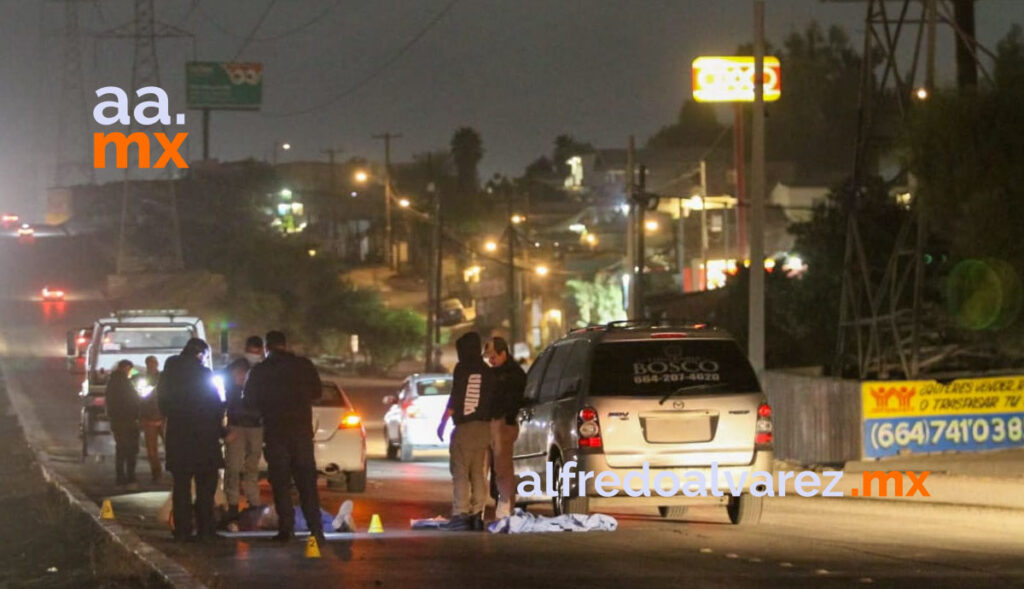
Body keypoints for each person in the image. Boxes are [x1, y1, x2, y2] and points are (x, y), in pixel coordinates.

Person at [242, 330, 325, 546]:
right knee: (307, 482)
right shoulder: (303, 366)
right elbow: (317, 392)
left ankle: (286, 529)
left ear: (267, 347)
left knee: (280, 483)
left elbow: (249, 402)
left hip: (276, 432)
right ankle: (316, 529)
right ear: (285, 345)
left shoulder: (260, 371)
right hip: (301, 432)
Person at [157, 338, 225, 542]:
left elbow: (163, 405)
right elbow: (214, 405)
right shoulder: (204, 374)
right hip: (203, 438)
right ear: (199, 354)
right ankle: (206, 530)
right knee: (206, 486)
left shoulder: (168, 373)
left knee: (181, 487)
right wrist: (220, 430)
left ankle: (182, 530)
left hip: (178, 436)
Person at [436, 332, 496, 531]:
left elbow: (456, 397)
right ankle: (477, 515)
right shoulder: (487, 371)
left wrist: (443, 422)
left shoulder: (463, 369)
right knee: (478, 473)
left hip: (465, 428)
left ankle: (460, 513)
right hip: (484, 428)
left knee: (460, 472)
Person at [486, 337, 527, 519]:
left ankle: (505, 504)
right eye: (489, 357)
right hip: (488, 423)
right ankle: (489, 504)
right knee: (484, 467)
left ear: (504, 354)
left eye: (493, 356)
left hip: (503, 423)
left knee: (502, 467)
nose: (491, 360)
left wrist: (508, 419)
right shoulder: (491, 373)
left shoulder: (514, 374)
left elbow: (514, 399)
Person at [223, 358, 263, 522]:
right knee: (233, 466)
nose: (239, 377)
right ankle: (233, 504)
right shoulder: (231, 387)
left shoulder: (255, 386)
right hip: (238, 427)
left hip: (253, 426)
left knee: (251, 467)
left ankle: (253, 502)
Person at [106, 359, 140, 489]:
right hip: (126, 420)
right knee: (129, 449)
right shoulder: (123, 382)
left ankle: (121, 477)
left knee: (122, 449)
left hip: (119, 420)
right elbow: (131, 401)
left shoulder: (114, 381)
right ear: (125, 368)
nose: (130, 372)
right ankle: (128, 477)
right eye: (129, 369)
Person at [134, 355, 165, 483]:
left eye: (153, 363)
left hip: (163, 418)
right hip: (149, 419)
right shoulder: (142, 379)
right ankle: (156, 473)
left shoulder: (163, 378)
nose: (151, 366)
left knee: (171, 447)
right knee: (151, 450)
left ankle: (173, 473)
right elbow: (140, 400)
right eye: (149, 363)